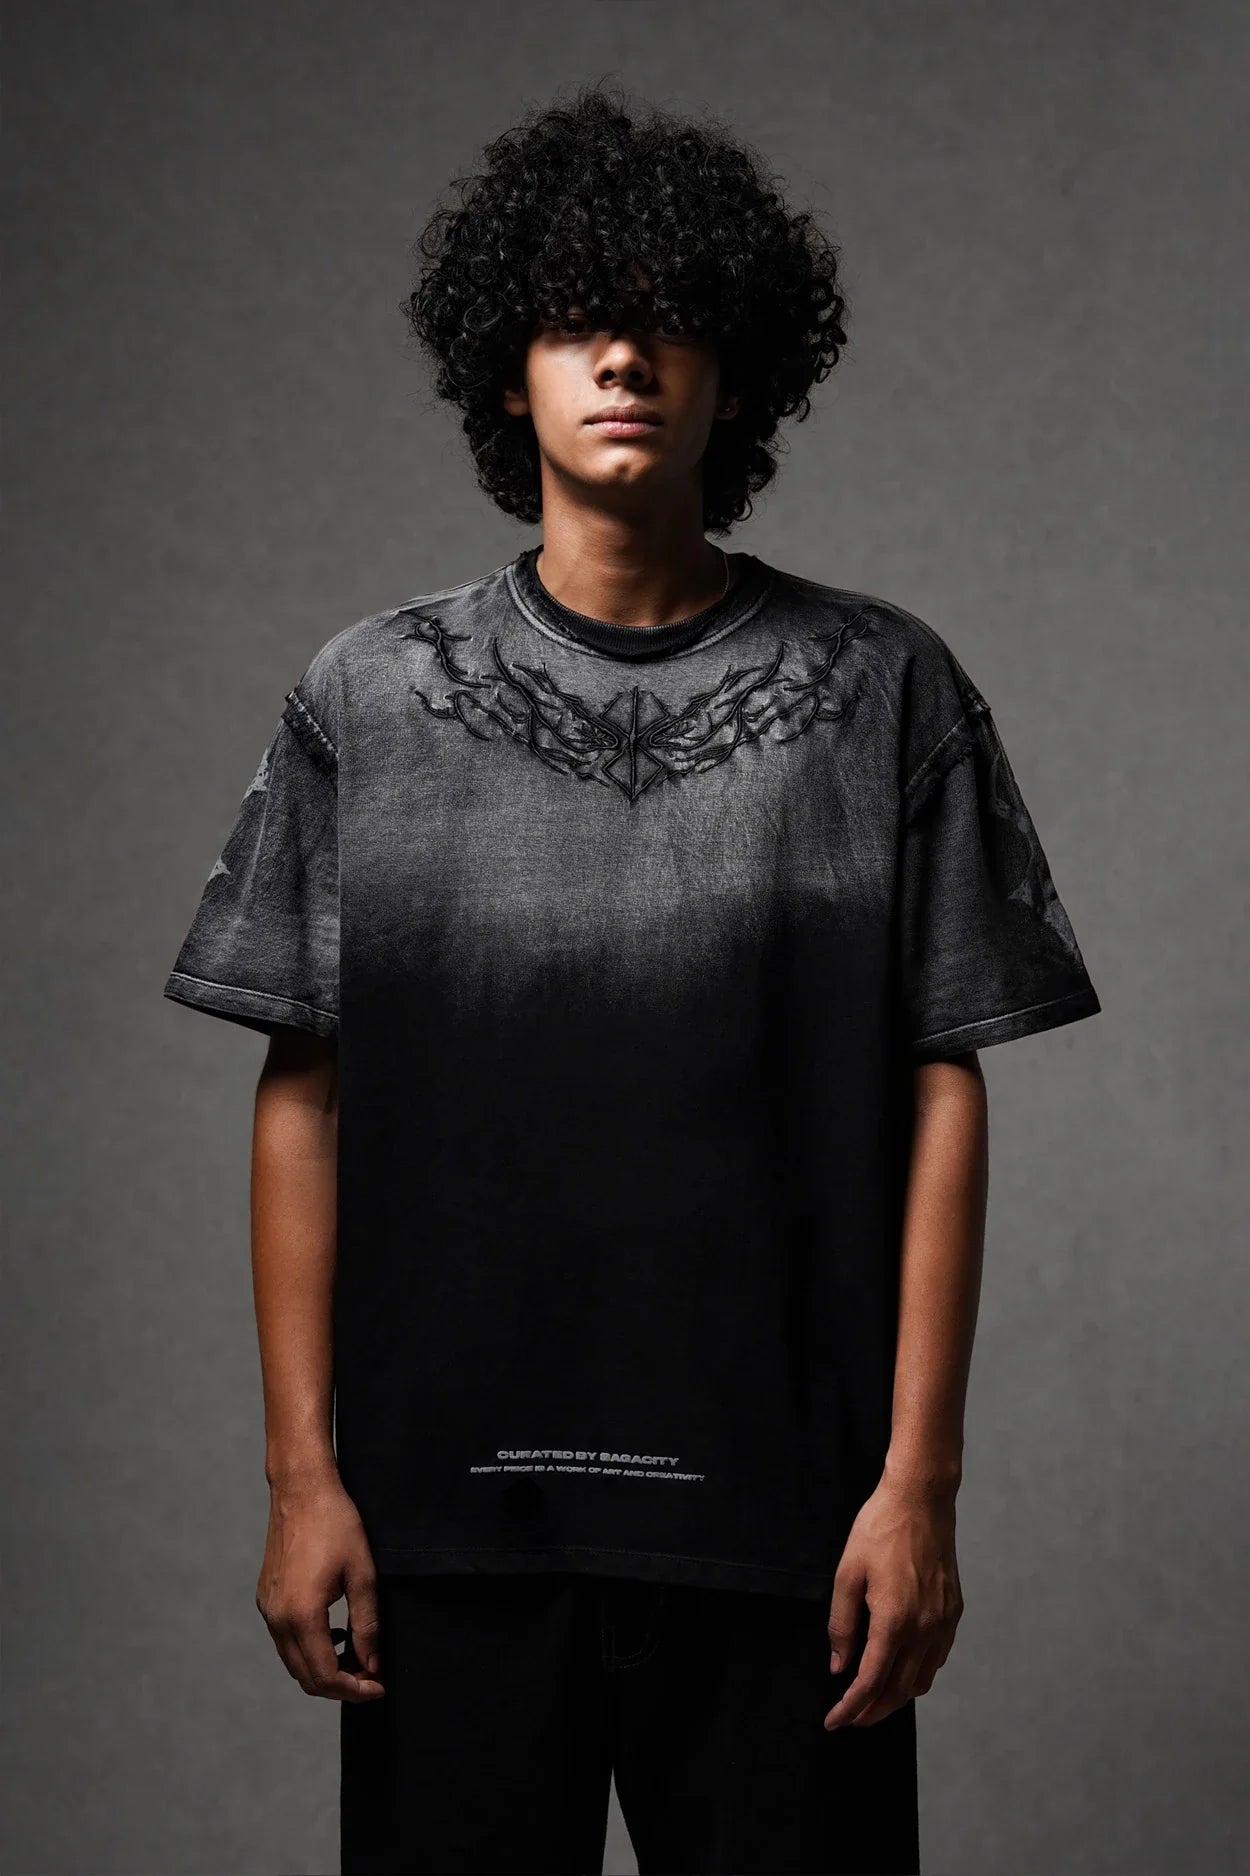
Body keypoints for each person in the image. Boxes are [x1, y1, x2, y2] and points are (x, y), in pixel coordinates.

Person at [162, 80, 1101, 1876]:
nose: (619, 357)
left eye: (669, 320)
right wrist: (302, 1478)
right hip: (443, 1530)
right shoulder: (368, 697)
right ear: (503, 371)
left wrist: (918, 1488)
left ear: (737, 375)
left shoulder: (882, 689)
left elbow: (939, 1089)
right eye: (571, 320)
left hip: (791, 1536)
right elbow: (305, 1095)